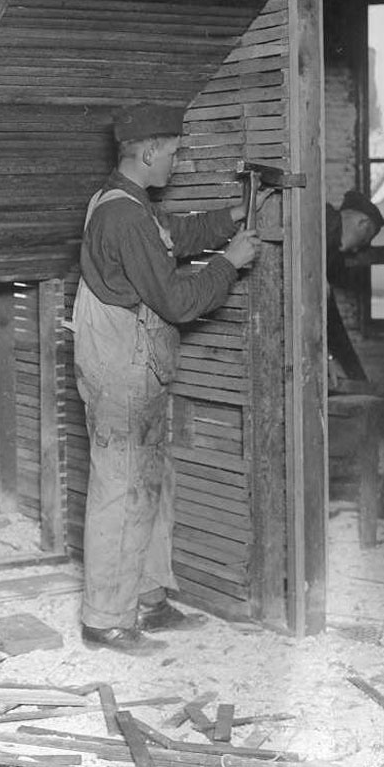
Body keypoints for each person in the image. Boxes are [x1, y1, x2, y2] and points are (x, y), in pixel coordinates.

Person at [74, 103, 262, 655]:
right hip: (120, 367)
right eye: (174, 152)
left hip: (132, 363)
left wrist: (229, 219)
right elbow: (178, 302)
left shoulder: (125, 200)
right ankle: (106, 618)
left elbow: (172, 235)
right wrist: (229, 262)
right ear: (149, 152)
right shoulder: (123, 216)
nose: (177, 163)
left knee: (150, 480)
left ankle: (148, 597)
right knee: (122, 485)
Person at [325, 189, 384, 388]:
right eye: (365, 240)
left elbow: (331, 321)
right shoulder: (324, 223)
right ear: (363, 224)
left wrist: (358, 379)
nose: (357, 249)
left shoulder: (329, 243)